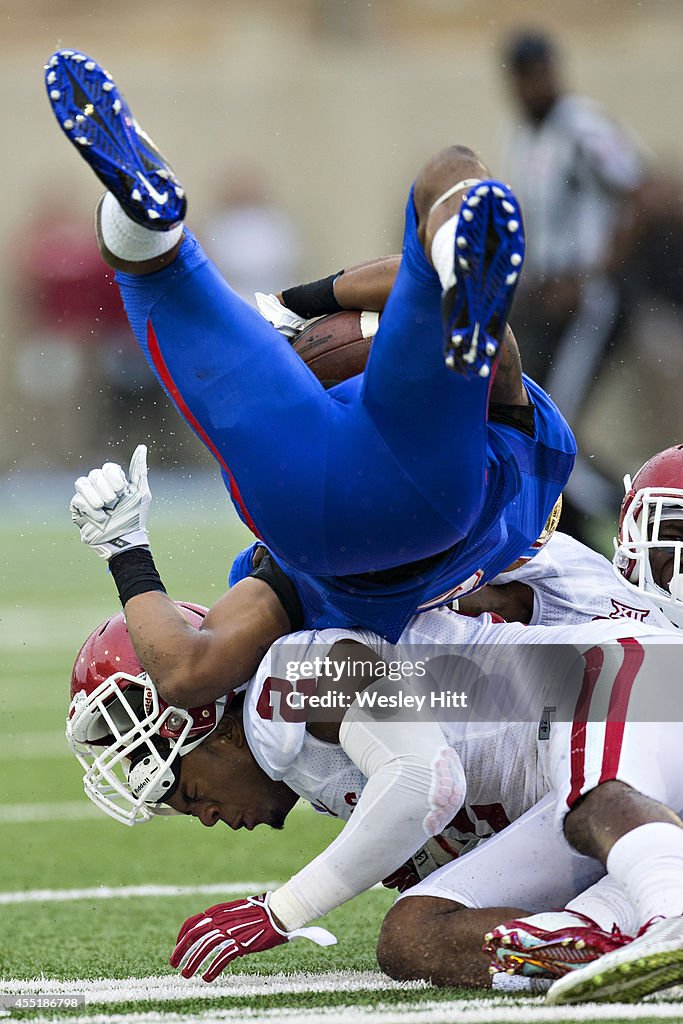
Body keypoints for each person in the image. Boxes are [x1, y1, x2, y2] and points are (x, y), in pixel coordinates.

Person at [46, 48, 576, 651]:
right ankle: (143, 234)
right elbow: (188, 670)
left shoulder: (540, 463)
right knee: (154, 278)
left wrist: (304, 301)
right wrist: (126, 549)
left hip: (379, 471)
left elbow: (499, 348)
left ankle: (149, 223)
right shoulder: (512, 515)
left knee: (450, 170)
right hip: (320, 516)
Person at [68, 574, 683, 994]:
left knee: (592, 799)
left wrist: (281, 911)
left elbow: (423, 779)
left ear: (203, 721)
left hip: (638, 684)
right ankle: (611, 940)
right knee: (414, 936)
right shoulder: (306, 763)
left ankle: (668, 909)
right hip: (606, 785)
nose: (198, 814)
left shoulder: (295, 675)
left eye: (180, 786)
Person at [499, 28, 650, 543]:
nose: (530, 87)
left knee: (551, 422)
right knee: (540, 419)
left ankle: (627, 517)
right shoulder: (525, 136)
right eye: (521, 77)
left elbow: (637, 190)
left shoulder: (581, 125)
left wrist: (593, 272)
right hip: (547, 302)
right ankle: (578, 532)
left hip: (592, 300)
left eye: (538, 73)